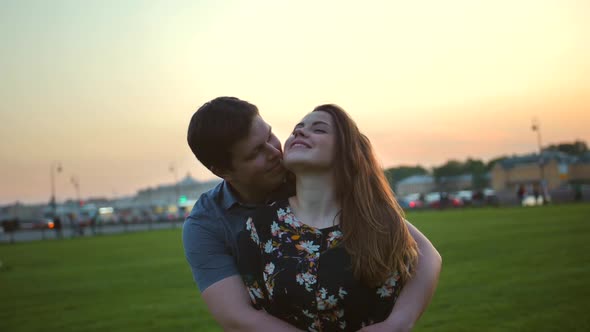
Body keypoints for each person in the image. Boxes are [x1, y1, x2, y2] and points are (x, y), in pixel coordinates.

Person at [183, 97, 442, 331]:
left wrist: (398, 322)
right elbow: (237, 316)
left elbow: (423, 252)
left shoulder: (311, 175)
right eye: (256, 152)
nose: (275, 153)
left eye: (270, 137)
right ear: (223, 172)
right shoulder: (207, 224)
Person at [237, 104, 423, 331]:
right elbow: (252, 316)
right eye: (297, 128)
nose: (299, 132)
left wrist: (398, 322)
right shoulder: (259, 227)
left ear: (346, 151)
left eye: (319, 129)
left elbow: (424, 260)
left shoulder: (380, 223)